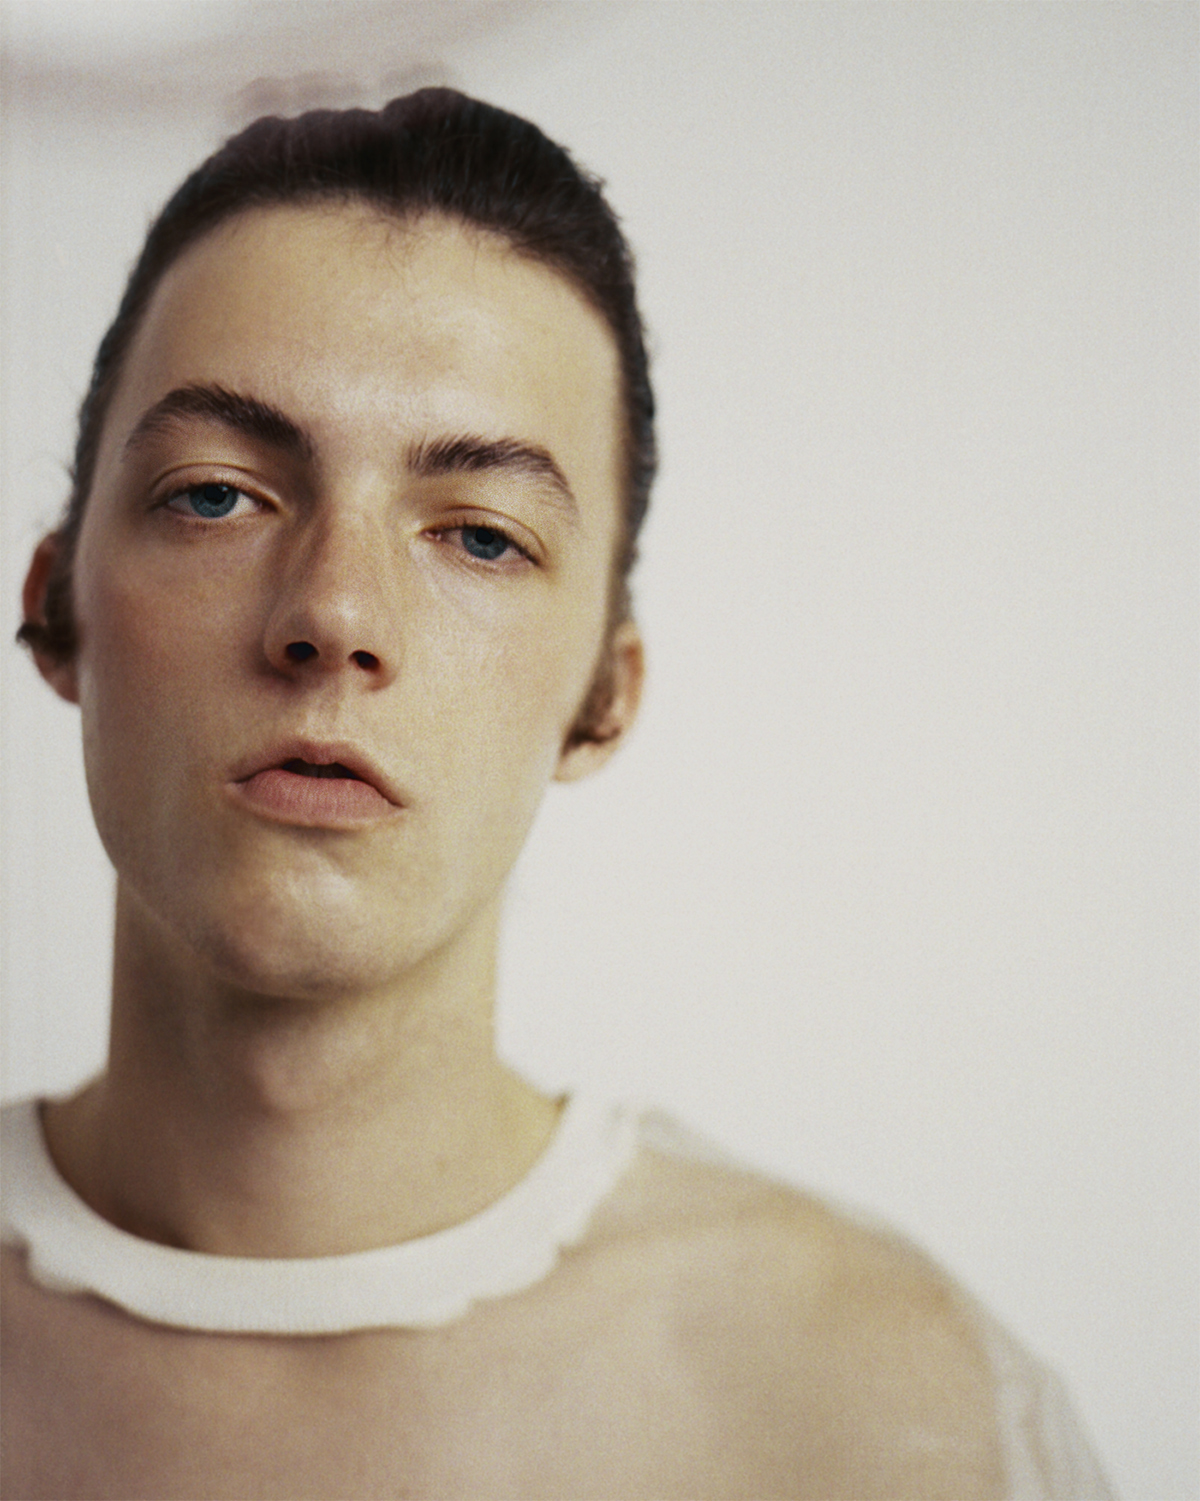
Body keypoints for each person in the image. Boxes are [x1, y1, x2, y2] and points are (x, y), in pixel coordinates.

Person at [1, 89, 1113, 1500]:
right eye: (216, 495)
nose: (335, 614)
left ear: (604, 692)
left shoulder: (879, 1409)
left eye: (479, 536)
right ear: (58, 607)